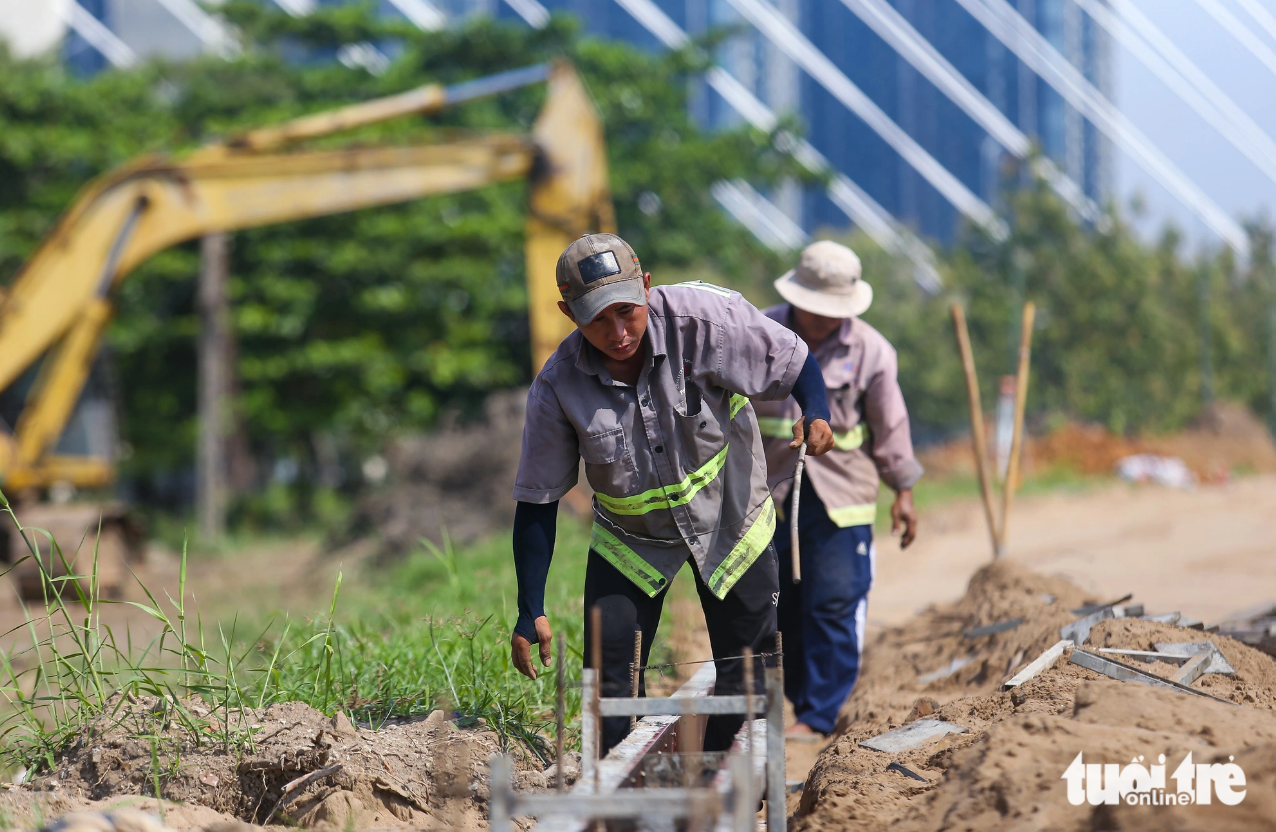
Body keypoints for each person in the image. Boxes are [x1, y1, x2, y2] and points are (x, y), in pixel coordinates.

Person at [509, 232, 834, 754]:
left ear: (646, 287)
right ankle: (621, 797)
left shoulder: (703, 322)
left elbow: (795, 362)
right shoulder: (556, 387)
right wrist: (530, 609)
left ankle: (725, 786)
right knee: (609, 686)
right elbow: (536, 501)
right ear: (568, 314)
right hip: (630, 541)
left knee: (748, 676)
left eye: (626, 312)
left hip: (732, 521)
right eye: (598, 320)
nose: (617, 333)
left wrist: (816, 411)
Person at [753, 240, 923, 739]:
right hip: (766, 496)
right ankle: (795, 702)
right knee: (778, 606)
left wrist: (904, 493)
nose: (823, 320)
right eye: (814, 309)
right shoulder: (757, 333)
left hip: (840, 499)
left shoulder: (870, 350)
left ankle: (822, 713)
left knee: (833, 601)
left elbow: (890, 427)